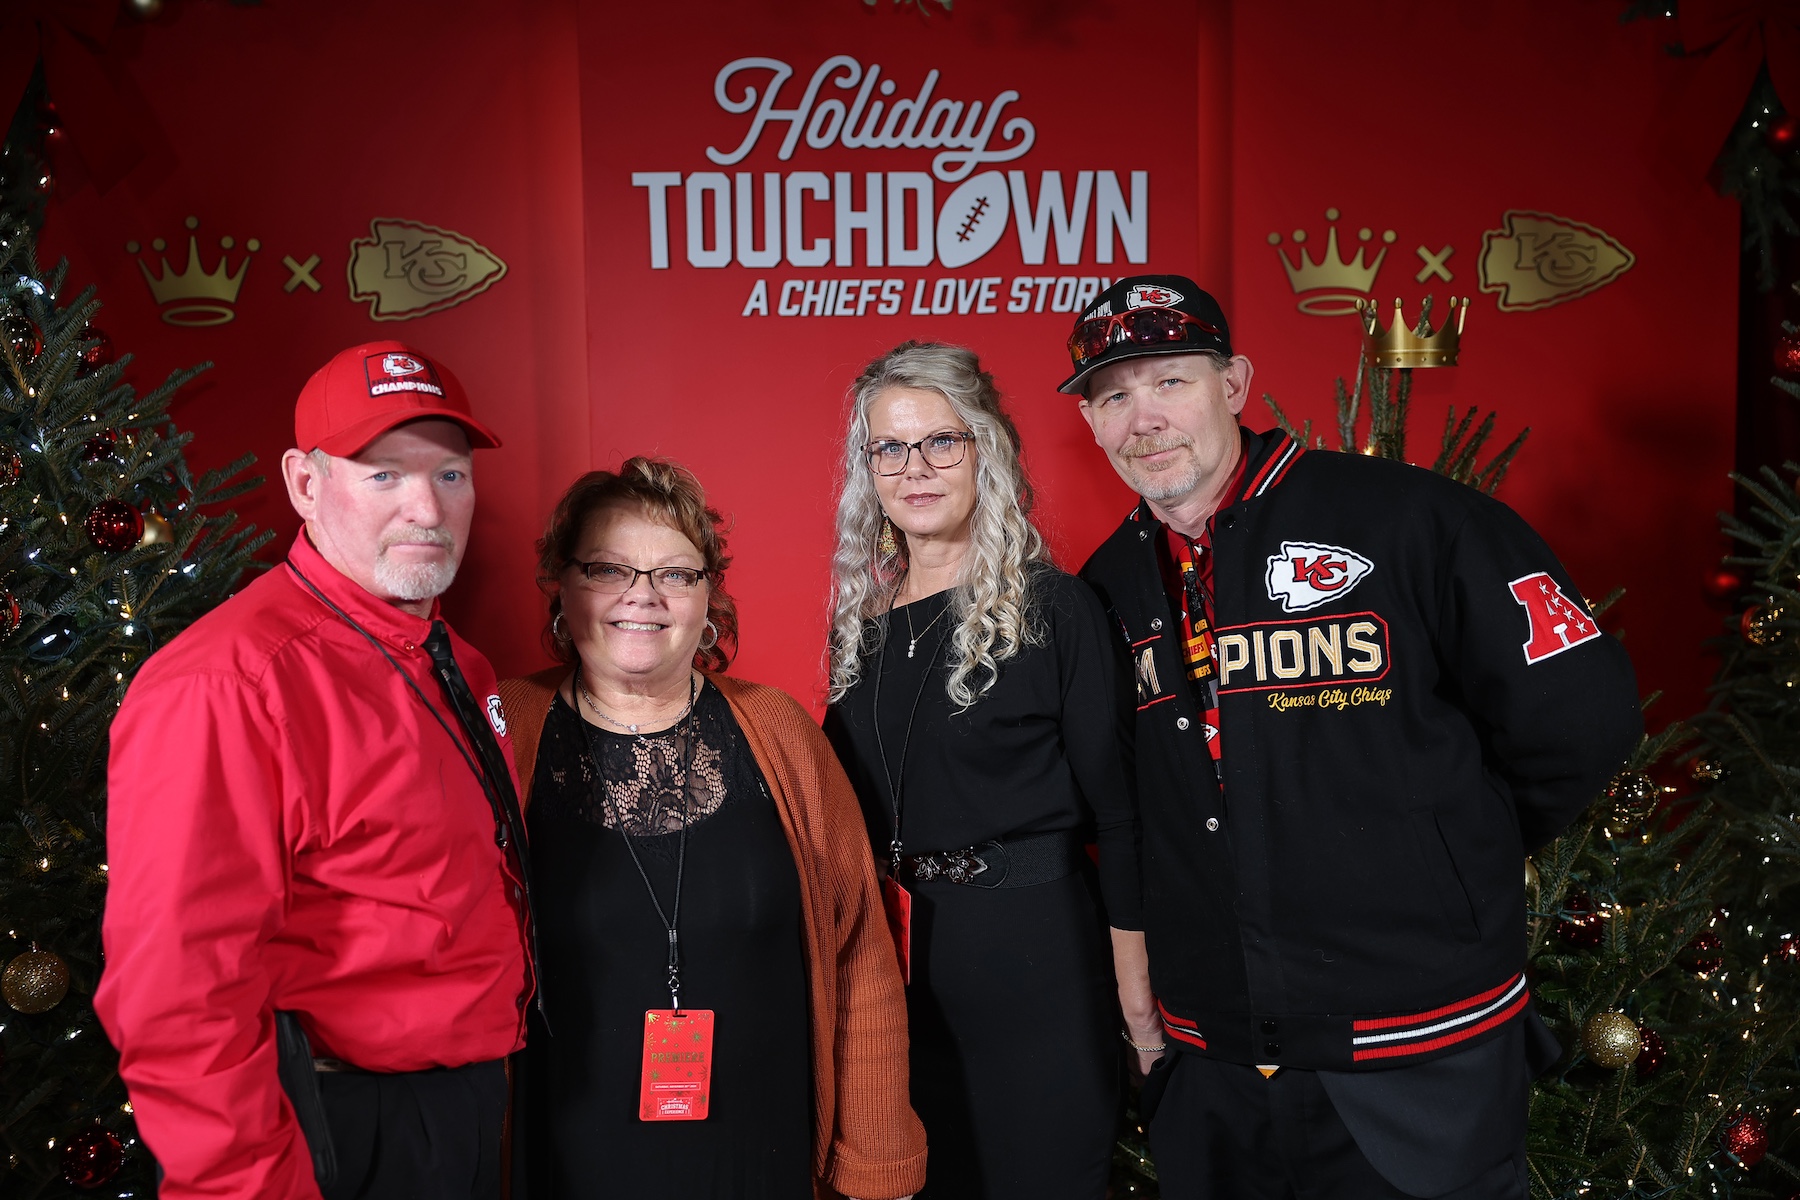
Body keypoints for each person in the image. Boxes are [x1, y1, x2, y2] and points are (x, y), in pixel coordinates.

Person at [1061, 275, 1644, 1199]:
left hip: (1418, 1057)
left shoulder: (1410, 519)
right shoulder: (1104, 589)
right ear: (1091, 422)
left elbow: (1582, 713)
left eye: (1171, 381)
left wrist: (1444, 847)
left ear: (1234, 384)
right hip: (1217, 1064)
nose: (1146, 419)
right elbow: (1122, 807)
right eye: (1114, 396)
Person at [96, 341, 532, 1200]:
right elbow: (179, 996)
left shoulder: (457, 662)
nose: (426, 508)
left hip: (464, 1111)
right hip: (338, 1130)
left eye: (449, 474)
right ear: (304, 483)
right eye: (383, 474)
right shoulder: (227, 684)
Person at [498, 457, 926, 1200]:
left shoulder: (780, 731)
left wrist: (876, 1167)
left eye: (675, 574)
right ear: (562, 587)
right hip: (567, 1159)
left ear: (709, 599)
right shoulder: (503, 729)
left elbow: (860, 953)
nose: (643, 596)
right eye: (608, 569)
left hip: (759, 1155)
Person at [820, 342, 1145, 1200]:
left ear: (985, 451)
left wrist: (1139, 1005)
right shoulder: (863, 628)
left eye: (941, 441)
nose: (915, 468)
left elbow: (1123, 818)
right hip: (896, 978)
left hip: (1034, 964)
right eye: (890, 448)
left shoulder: (1055, 609)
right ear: (868, 471)